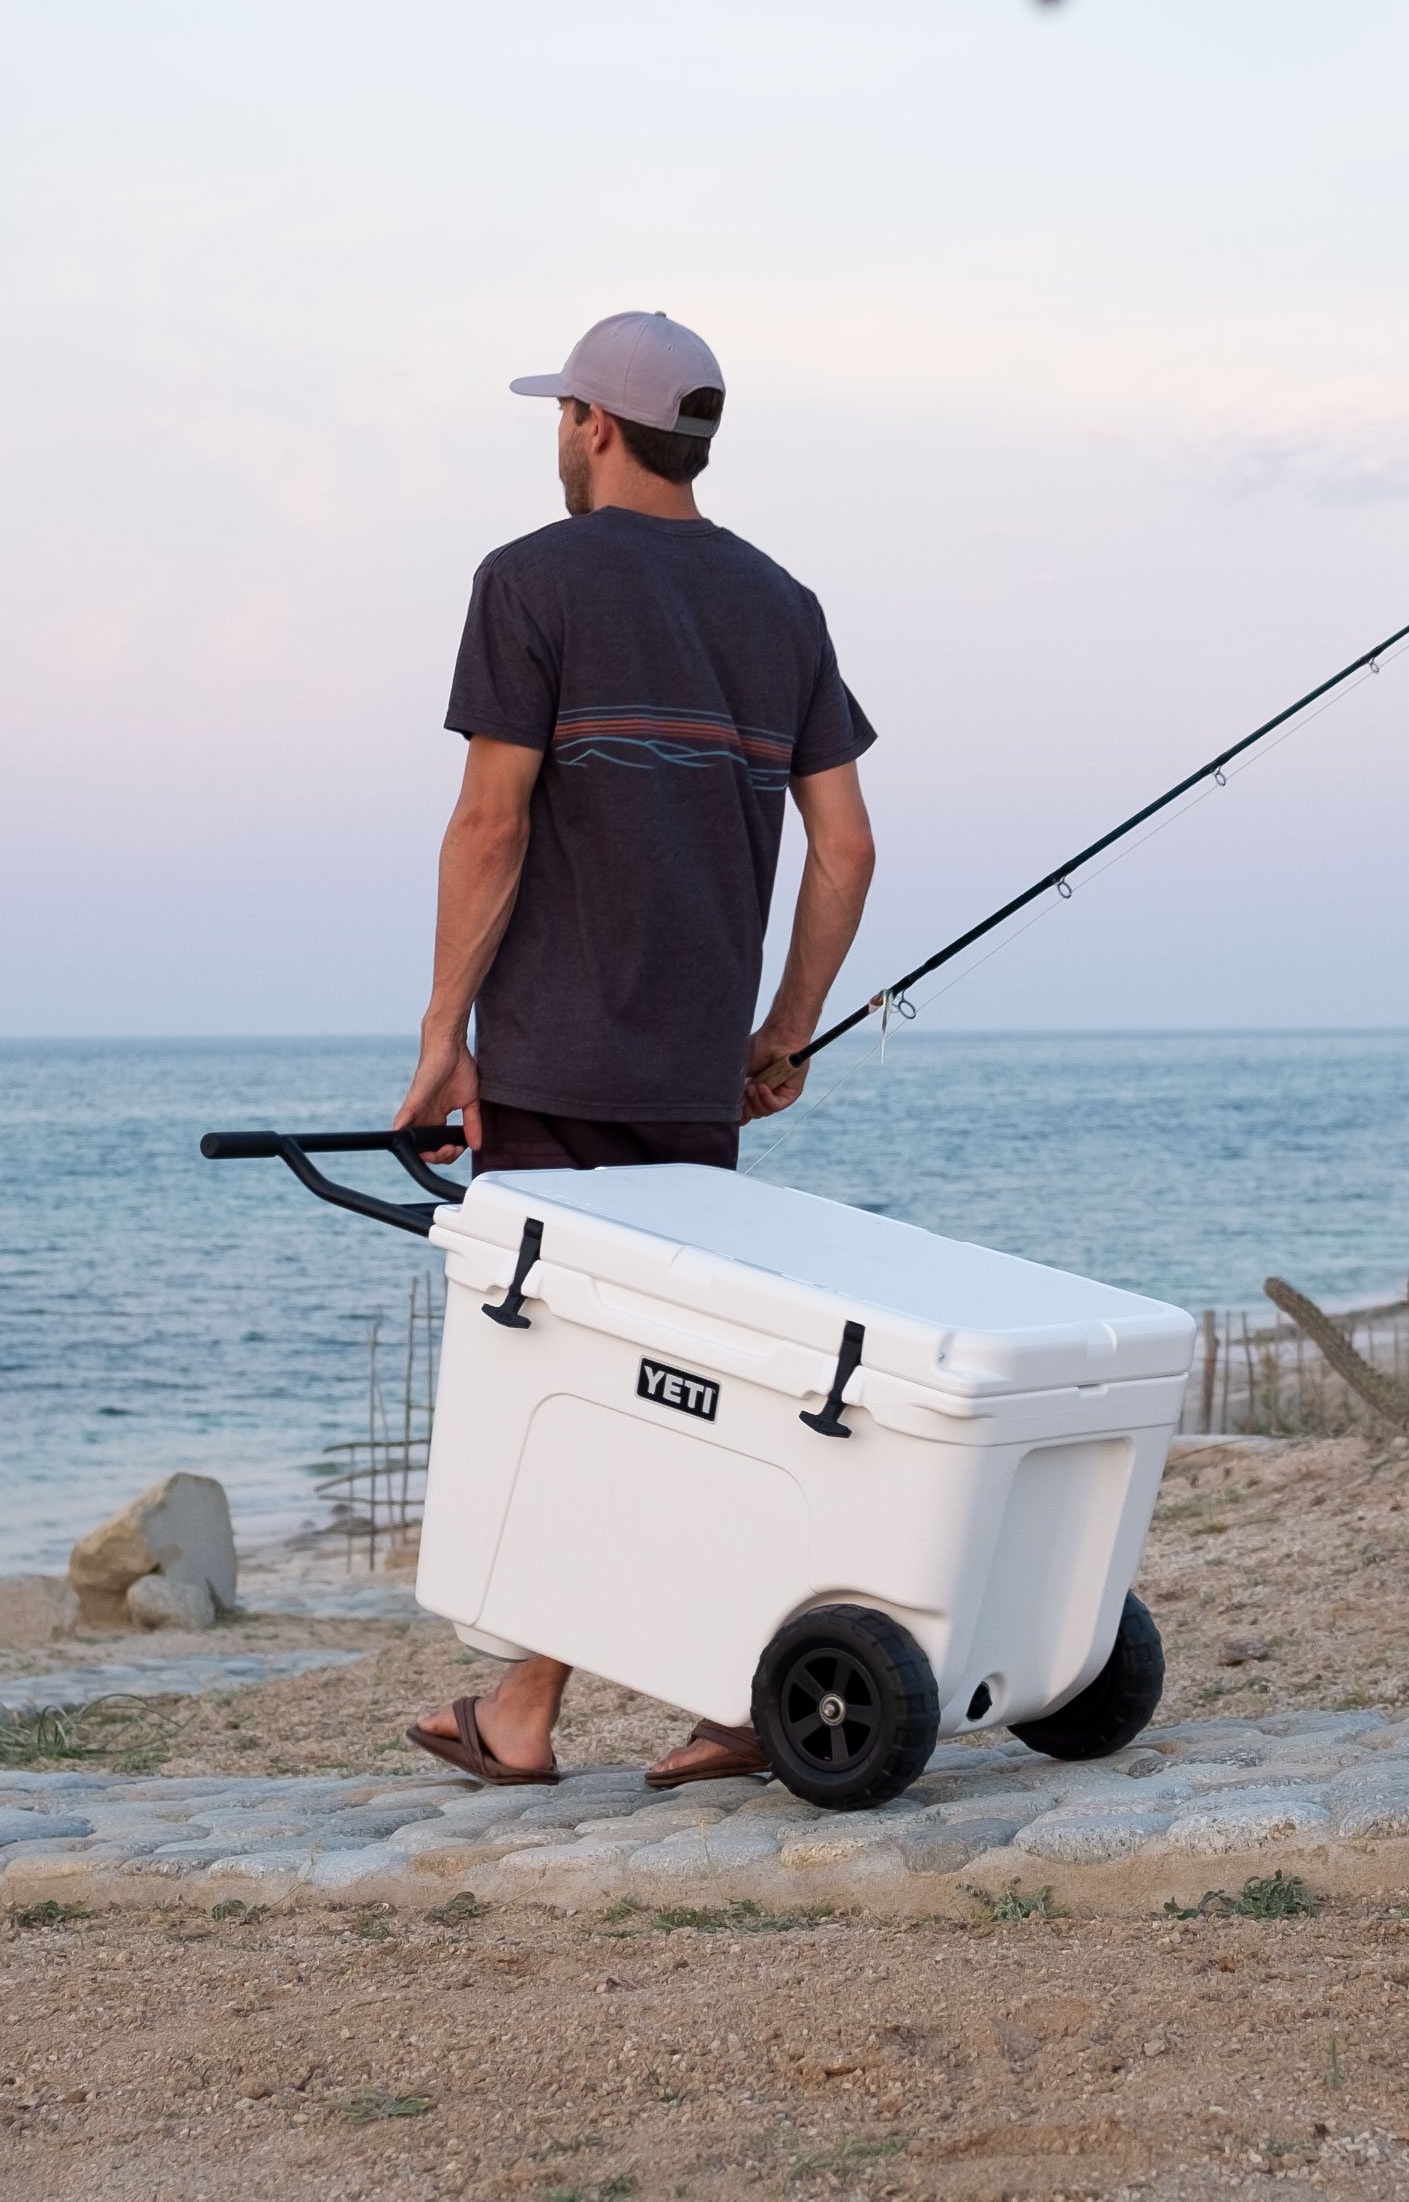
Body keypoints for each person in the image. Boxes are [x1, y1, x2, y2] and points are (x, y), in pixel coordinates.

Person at [395, 309, 878, 1789]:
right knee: (687, 1385)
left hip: (548, 1062)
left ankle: (536, 1716)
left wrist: (439, 1044)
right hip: (689, 1081)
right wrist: (780, 1032)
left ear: (595, 427)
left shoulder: (528, 579)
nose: (557, 436)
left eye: (561, 414)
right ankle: (706, 1697)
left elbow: (490, 823)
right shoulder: (780, 604)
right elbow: (844, 849)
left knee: (570, 1392)